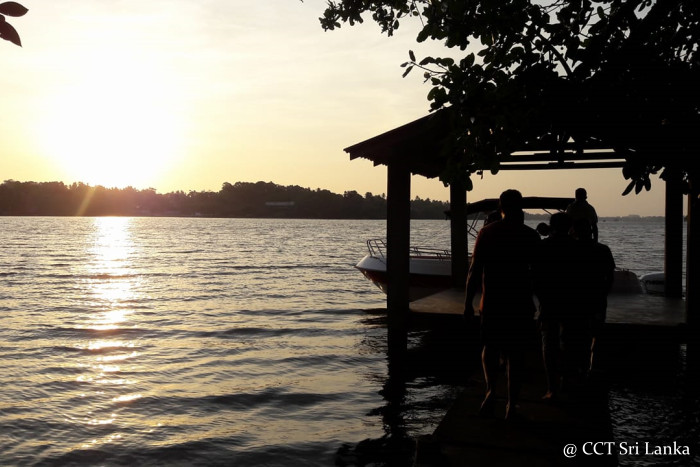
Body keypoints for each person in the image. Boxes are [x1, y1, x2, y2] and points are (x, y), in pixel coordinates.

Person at [465, 189, 541, 420]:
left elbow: (475, 271)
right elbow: (540, 275)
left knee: (490, 348)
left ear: (500, 207)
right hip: (520, 304)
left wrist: (468, 303)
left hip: (492, 303)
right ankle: (512, 403)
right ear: (521, 208)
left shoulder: (487, 233)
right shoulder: (530, 236)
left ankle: (490, 390)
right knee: (516, 355)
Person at [534, 212, 577, 400]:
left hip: (549, 300)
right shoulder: (578, 248)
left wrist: (541, 298)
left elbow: (535, 276)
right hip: (571, 301)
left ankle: (552, 387)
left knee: (549, 343)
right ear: (570, 227)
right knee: (569, 342)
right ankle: (567, 382)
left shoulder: (543, 247)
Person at [570, 218, 615, 378]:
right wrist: (604, 292)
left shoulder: (569, 250)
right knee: (596, 333)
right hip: (597, 296)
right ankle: (592, 365)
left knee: (575, 334)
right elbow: (609, 275)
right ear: (591, 231)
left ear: (573, 231)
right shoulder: (602, 249)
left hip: (575, 299)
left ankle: (577, 367)